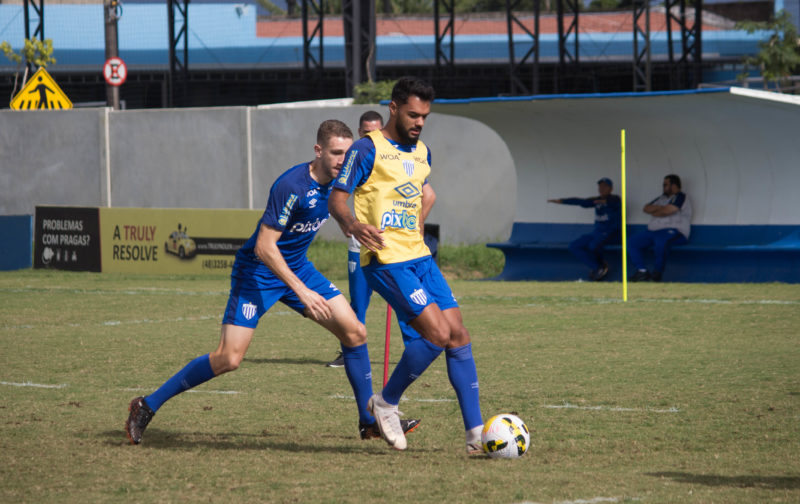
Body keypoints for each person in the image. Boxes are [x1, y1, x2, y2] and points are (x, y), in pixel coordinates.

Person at [124, 120, 419, 445]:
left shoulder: (339, 183)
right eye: (336, 153)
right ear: (318, 150)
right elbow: (265, 247)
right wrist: (302, 292)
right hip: (259, 271)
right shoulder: (291, 185)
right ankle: (146, 405)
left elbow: (347, 205)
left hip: (298, 268)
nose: (342, 161)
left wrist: (361, 226)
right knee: (228, 359)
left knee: (355, 332)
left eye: (347, 154)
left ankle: (368, 422)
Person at [329, 77, 484, 453]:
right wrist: (352, 225)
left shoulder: (422, 153)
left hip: (419, 256)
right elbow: (337, 199)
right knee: (435, 335)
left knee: (458, 334)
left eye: (425, 116)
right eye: (413, 114)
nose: (419, 122)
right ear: (394, 108)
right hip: (385, 259)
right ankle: (385, 402)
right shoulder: (366, 149)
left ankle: (476, 436)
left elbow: (418, 195)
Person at [326, 110, 434, 368]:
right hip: (362, 244)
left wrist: (416, 227)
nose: (371, 134)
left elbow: (427, 196)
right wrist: (349, 222)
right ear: (360, 132)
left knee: (405, 304)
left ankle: (414, 350)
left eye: (375, 129)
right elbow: (338, 198)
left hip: (397, 247)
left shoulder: (401, 153)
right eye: (366, 131)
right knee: (358, 302)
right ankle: (350, 350)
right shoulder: (359, 154)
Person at [548, 177, 621, 280]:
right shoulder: (596, 200)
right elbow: (580, 201)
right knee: (574, 246)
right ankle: (597, 267)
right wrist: (562, 201)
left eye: (605, 186)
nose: (601, 189)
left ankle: (601, 265)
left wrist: (598, 201)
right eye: (600, 186)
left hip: (611, 233)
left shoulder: (615, 199)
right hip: (597, 233)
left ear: (611, 189)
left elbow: (612, 202)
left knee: (593, 246)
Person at [628, 174, 692, 282]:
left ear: (674, 185)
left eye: (666, 184)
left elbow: (669, 210)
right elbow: (646, 208)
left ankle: (657, 273)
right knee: (632, 242)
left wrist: (658, 211)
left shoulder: (681, 196)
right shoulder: (661, 198)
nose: (663, 187)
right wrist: (661, 208)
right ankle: (642, 271)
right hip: (653, 231)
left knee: (661, 241)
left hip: (675, 231)